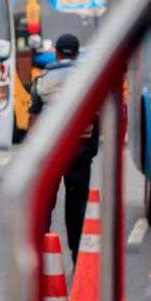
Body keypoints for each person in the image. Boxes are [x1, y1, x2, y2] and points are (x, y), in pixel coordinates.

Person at [29, 33, 99, 262]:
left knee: (45, 203)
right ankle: (78, 257)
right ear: (78, 53)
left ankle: (41, 255)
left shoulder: (44, 79)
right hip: (79, 149)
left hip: (51, 150)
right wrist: (91, 146)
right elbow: (97, 115)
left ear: (56, 53)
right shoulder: (87, 78)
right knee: (77, 206)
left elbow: (34, 119)